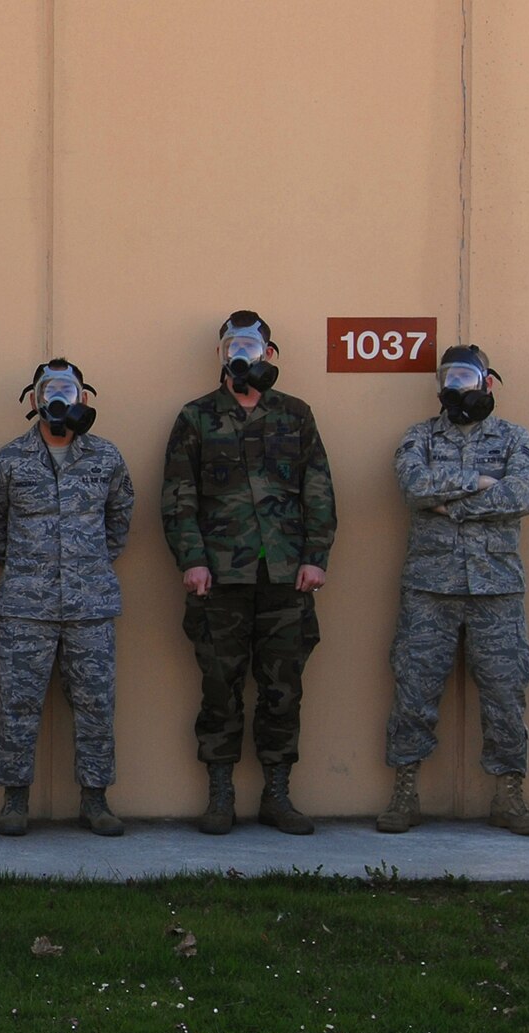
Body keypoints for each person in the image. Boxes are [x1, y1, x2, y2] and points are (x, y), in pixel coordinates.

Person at [160, 311, 335, 834]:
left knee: (283, 688)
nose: (242, 354)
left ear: (269, 355)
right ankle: (220, 797)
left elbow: (318, 490)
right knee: (220, 685)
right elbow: (177, 496)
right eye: (233, 346)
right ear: (221, 355)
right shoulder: (196, 418)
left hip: (285, 576)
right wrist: (191, 559)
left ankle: (277, 796)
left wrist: (315, 556)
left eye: (252, 346)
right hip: (220, 577)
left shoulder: (296, 415)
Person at [378, 345, 529, 835]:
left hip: (497, 589)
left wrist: (451, 505)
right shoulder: (419, 438)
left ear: (486, 382)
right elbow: (414, 487)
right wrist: (479, 481)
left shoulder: (515, 438)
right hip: (430, 587)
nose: (458, 386)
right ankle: (405, 793)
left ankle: (509, 797)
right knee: (413, 688)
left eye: (467, 377)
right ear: (439, 386)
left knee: (506, 692)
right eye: (449, 378)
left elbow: (522, 495)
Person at [0, 360, 134, 836]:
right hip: (26, 607)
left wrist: (87, 564)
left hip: (91, 606)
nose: (58, 397)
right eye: (49, 389)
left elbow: (120, 522)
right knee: (18, 703)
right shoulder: (9, 461)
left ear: (84, 398)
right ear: (34, 399)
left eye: (68, 389)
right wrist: (29, 567)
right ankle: (14, 801)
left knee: (96, 704)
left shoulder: (106, 459)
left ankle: (96, 801)